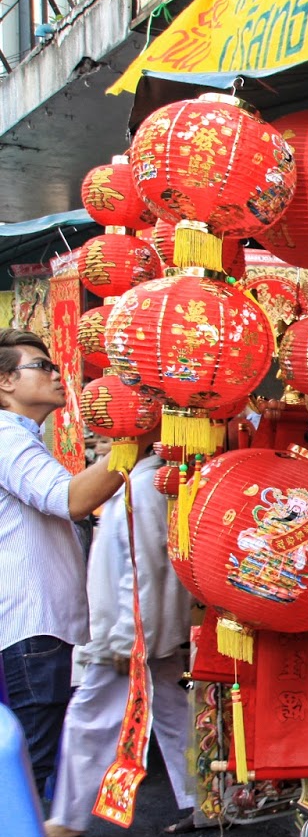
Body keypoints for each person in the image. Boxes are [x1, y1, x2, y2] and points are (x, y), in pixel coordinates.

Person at [45, 435, 195, 837]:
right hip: (140, 631)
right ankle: (204, 801)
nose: (98, 439)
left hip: (128, 634)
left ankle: (68, 818)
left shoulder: (142, 486)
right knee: (172, 713)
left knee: (89, 720)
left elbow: (142, 570)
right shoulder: (136, 482)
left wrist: (127, 638)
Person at [0, 329, 129, 801]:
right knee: (29, 767)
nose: (56, 375)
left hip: (30, 626)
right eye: (42, 367)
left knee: (29, 763)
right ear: (5, 382)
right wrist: (133, 441)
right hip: (27, 627)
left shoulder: (18, 440)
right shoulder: (8, 441)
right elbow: (71, 498)